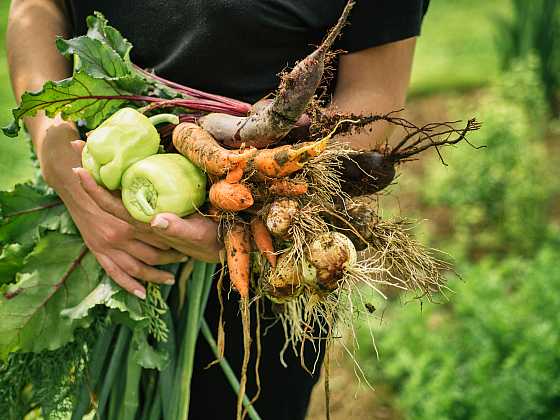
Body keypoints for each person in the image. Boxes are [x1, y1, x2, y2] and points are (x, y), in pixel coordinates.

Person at [7, 1, 429, 418]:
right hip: (96, 221)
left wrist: (252, 214)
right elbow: (36, 8)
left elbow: (374, 92)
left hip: (271, 254)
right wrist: (56, 149)